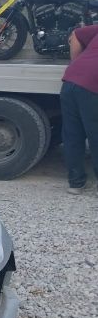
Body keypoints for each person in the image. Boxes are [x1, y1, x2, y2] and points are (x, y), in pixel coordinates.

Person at [60, 24, 98, 195]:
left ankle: (76, 184)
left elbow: (75, 34)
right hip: (92, 86)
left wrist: (76, 64)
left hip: (70, 80)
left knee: (72, 134)